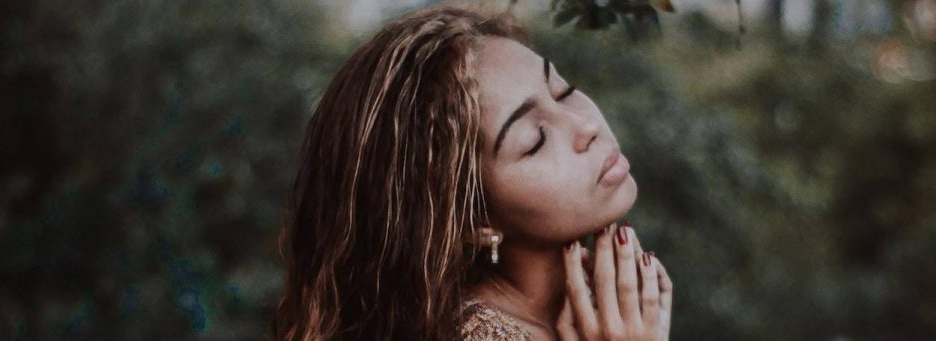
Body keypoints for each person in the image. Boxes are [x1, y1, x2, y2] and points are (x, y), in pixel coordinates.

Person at [272, 5, 672, 340]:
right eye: (535, 139)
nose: (586, 126)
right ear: (472, 220)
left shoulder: (594, 313)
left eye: (562, 90)